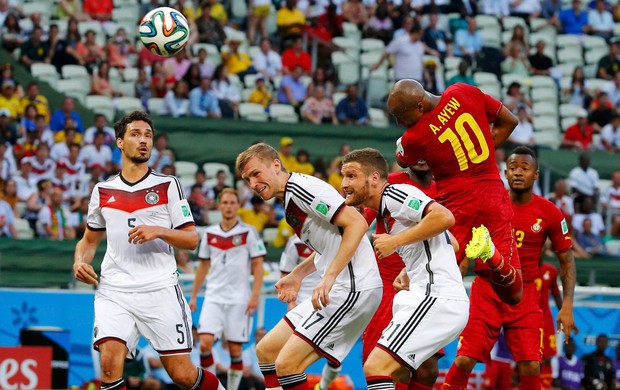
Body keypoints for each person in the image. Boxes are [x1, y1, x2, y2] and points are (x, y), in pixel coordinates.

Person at [72, 110, 224, 390]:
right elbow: (89, 241)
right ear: (119, 142)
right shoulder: (103, 191)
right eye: (135, 134)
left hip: (159, 289)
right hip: (114, 290)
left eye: (148, 135)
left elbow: (191, 240)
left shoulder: (168, 185)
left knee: (182, 374)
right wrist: (79, 261)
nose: (143, 141)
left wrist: (160, 231)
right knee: (108, 363)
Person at [235, 142, 382, 390]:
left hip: (354, 288)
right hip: (341, 287)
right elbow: (329, 246)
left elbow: (357, 224)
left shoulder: (303, 188)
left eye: (256, 173)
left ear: (275, 164)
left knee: (287, 365)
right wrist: (297, 275)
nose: (252, 184)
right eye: (247, 179)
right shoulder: (290, 197)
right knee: (266, 351)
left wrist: (329, 277)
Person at [443, 146, 578, 390]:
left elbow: (567, 260)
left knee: (531, 366)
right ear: (505, 173)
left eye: (525, 169)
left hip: (525, 294)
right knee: (464, 359)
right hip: (486, 289)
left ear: (536, 175)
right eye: (513, 168)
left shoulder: (550, 212)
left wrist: (567, 305)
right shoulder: (488, 203)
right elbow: (462, 249)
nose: (518, 173)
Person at [339, 148, 468, 390]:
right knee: (388, 370)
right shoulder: (388, 206)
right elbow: (453, 242)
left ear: (374, 178)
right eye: (344, 176)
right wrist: (411, 267)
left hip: (435, 296)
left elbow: (445, 218)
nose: (344, 184)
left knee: (377, 367)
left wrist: (395, 241)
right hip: (421, 292)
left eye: (351, 176)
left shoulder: (395, 193)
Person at [387, 79, 524, 306]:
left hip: (456, 205)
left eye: (401, 117)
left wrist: (401, 142)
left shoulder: (414, 137)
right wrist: (480, 155)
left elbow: (402, 160)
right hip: (493, 193)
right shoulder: (463, 91)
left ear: (420, 106)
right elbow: (510, 121)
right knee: (514, 293)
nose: (400, 123)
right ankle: (491, 255)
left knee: (426, 282)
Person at [360, 160, 445, 390]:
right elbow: (358, 223)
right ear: (403, 156)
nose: (420, 158)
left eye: (426, 153)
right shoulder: (391, 184)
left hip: (425, 283)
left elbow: (451, 238)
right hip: (388, 283)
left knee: (428, 368)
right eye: (414, 152)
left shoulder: (442, 190)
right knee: (386, 365)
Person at [189, 188, 265, 390]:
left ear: (238, 206)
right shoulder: (210, 233)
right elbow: (203, 266)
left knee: (234, 350)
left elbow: (258, 266)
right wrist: (194, 296)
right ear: (219, 205)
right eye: (225, 202)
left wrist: (255, 295)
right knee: (204, 343)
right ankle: (213, 387)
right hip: (213, 296)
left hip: (239, 298)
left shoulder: (248, 232)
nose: (229, 206)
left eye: (233, 202)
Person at [279, 235, 341, 390]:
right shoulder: (295, 242)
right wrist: (291, 302)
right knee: (292, 354)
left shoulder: (334, 236)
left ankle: (322, 387)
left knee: (334, 356)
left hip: (330, 301)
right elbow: (286, 272)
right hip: (302, 303)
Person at [536, 261, 563, 390]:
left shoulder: (551, 270)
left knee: (546, 358)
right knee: (528, 359)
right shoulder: (523, 266)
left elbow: (556, 293)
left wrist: (565, 314)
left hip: (545, 320)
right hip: (526, 317)